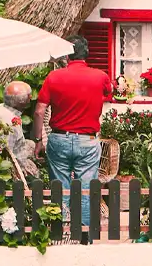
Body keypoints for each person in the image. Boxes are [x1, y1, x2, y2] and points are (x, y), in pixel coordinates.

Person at [32, 36, 112, 241]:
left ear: (67, 55)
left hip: (59, 139)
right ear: (87, 54)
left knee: (61, 187)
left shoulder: (54, 77)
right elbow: (107, 95)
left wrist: (38, 140)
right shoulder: (100, 76)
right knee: (86, 189)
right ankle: (84, 236)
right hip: (87, 139)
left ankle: (62, 233)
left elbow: (40, 110)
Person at [0, 81, 38, 178]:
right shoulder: (11, 122)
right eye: (29, 96)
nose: (31, 98)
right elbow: (7, 152)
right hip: (13, 172)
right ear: (22, 102)